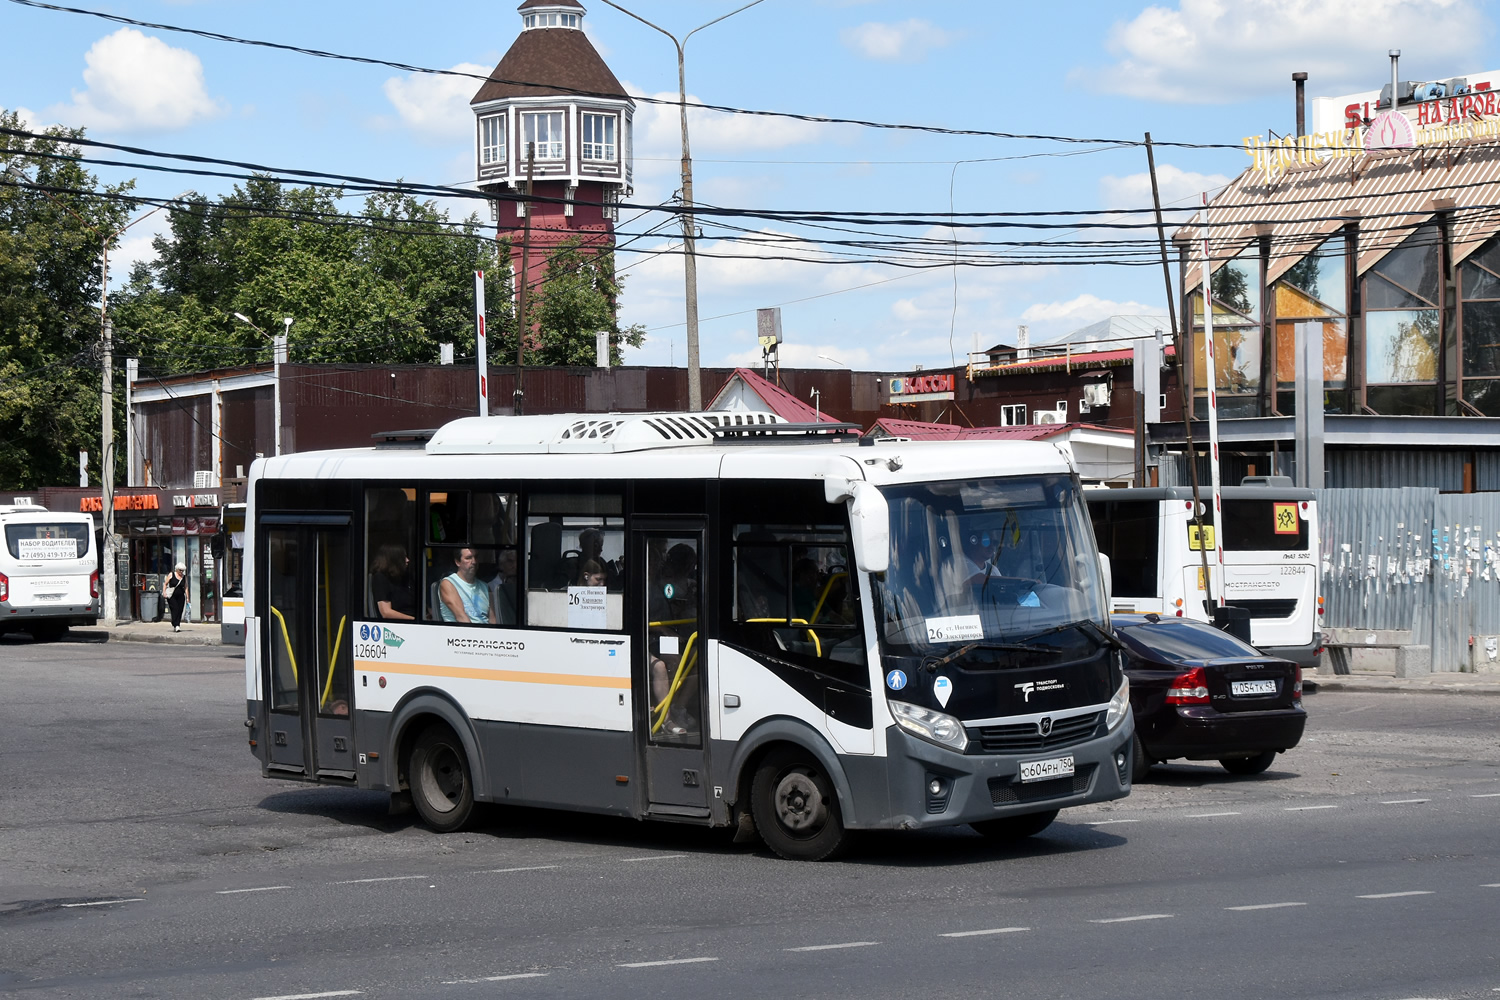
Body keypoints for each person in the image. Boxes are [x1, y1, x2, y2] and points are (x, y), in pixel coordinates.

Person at [439, 547, 493, 624]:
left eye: (476, 557)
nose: (474, 561)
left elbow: (493, 619)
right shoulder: (448, 583)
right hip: (461, 633)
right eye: (468, 558)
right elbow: (461, 617)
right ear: (457, 562)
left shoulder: (485, 586)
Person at [370, 544, 416, 620]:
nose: (407, 560)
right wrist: (414, 619)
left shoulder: (406, 577)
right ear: (394, 559)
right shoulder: (380, 578)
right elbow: (386, 612)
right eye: (403, 557)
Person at [163, 562, 189, 633]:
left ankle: (177, 625)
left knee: (180, 610)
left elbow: (186, 587)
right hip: (172, 596)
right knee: (175, 609)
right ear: (177, 569)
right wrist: (164, 592)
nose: (181, 572)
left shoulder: (184, 577)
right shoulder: (171, 574)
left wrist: (187, 598)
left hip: (181, 596)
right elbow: (165, 584)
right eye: (180, 570)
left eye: (182, 570)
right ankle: (175, 623)